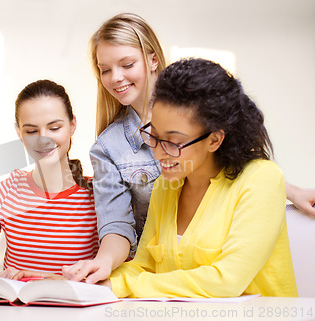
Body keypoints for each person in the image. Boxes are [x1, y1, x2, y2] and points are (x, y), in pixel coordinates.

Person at [63, 12, 314, 284]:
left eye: (127, 64)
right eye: (105, 69)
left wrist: (287, 189)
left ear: (152, 59)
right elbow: (119, 228)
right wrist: (100, 269)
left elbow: (240, 168)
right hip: (164, 291)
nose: (115, 78)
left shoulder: (207, 109)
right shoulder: (141, 170)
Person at [105, 57, 297, 298]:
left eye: (173, 142)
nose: (157, 152)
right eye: (153, 135)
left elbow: (227, 281)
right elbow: (143, 267)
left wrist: (121, 286)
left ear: (214, 140)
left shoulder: (261, 179)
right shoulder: (167, 185)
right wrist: (88, 281)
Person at [0, 79, 98, 290]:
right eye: (31, 131)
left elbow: (121, 273)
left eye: (54, 127)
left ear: (72, 125)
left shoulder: (98, 196)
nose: (43, 139)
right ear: (19, 132)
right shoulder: (2, 193)